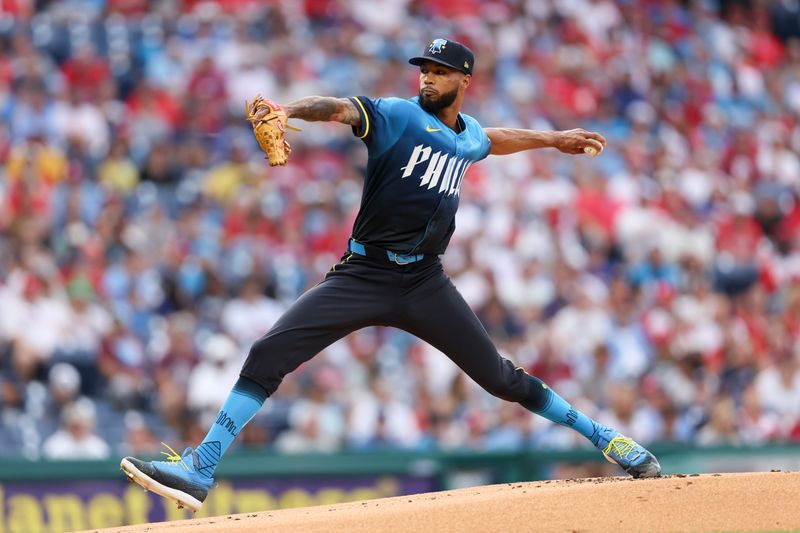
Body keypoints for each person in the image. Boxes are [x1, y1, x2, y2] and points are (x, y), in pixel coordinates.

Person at [120, 38, 661, 513]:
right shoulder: (398, 114)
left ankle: (607, 439)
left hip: (425, 282)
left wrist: (551, 139)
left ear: (463, 81)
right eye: (423, 68)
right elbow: (340, 109)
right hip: (365, 273)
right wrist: (287, 110)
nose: (427, 76)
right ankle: (200, 468)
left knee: (500, 378)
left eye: (439, 70)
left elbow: (492, 137)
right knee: (268, 353)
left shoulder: (466, 136)